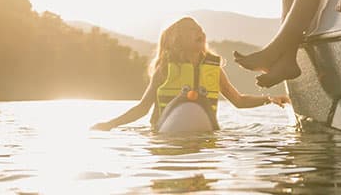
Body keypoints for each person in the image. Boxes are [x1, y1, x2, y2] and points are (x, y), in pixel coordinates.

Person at [91, 17, 288, 133]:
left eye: (200, 30)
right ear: (176, 39)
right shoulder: (165, 69)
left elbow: (238, 100)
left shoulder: (213, 68)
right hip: (165, 131)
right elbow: (142, 108)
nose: (200, 32)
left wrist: (269, 99)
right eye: (192, 30)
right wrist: (110, 124)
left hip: (206, 131)